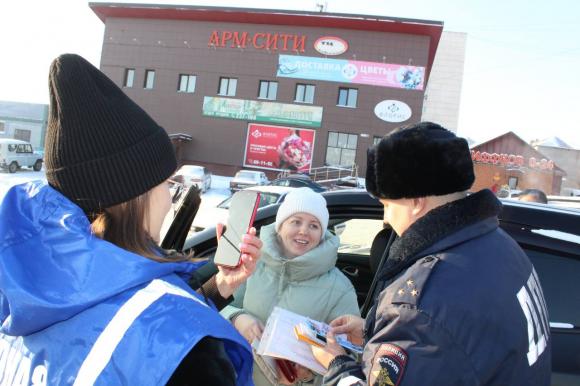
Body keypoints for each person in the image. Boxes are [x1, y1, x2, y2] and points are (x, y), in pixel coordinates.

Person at [0, 54, 263, 385]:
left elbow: (117, 323)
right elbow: (145, 330)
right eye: (167, 183)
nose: (170, 198)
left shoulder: (19, 293)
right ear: (135, 196)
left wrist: (217, 288)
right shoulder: (188, 353)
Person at [311, 122, 551, 385]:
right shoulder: (502, 247)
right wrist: (373, 333)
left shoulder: (419, 308)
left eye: (387, 205)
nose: (386, 218)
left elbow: (434, 332)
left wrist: (336, 365)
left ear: (415, 202)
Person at [221, 187, 360, 385]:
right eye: (296, 221)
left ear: (321, 233)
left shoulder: (340, 288)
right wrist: (236, 318)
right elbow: (211, 307)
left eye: (314, 225)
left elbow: (351, 359)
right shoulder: (251, 265)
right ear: (280, 226)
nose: (304, 230)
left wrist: (311, 373)